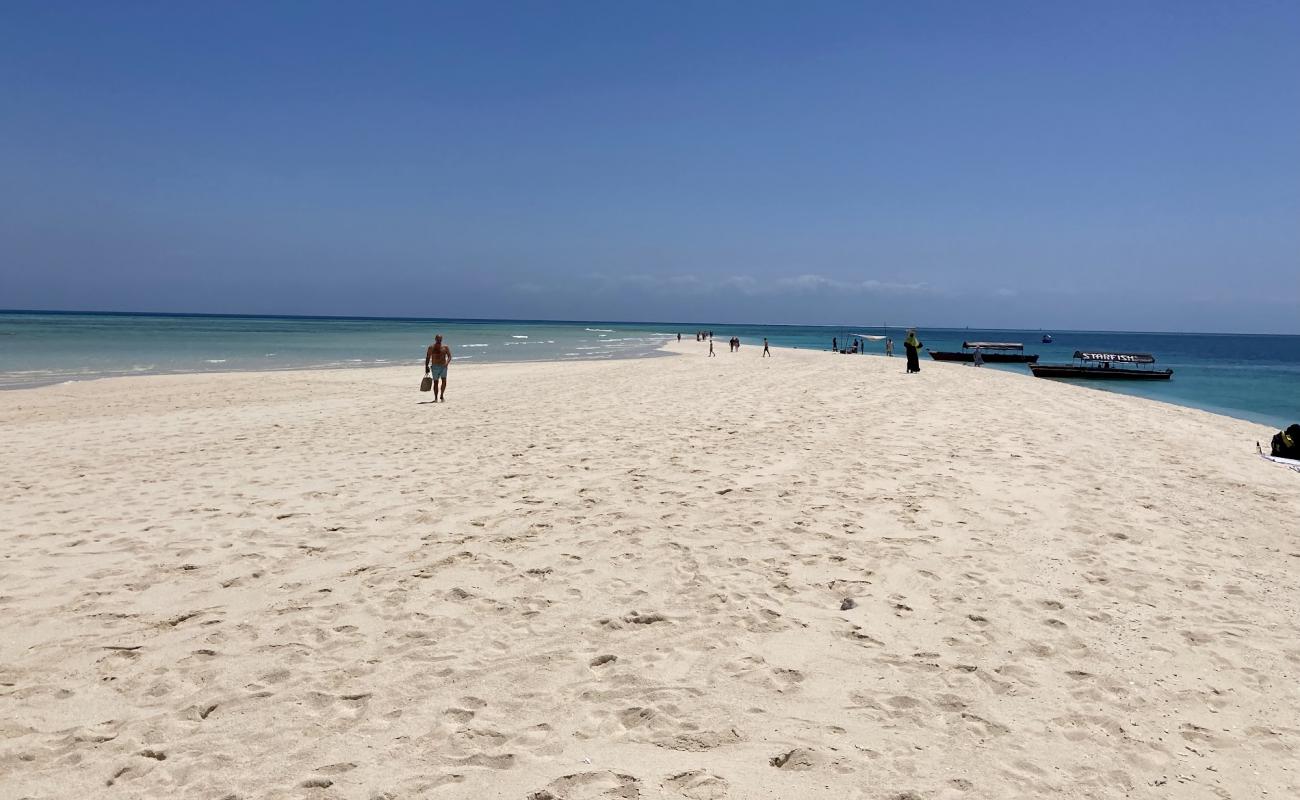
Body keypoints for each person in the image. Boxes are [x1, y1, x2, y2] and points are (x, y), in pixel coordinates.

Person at [424, 334, 452, 401]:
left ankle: (442, 395)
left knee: (444, 381)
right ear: (435, 339)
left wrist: (447, 363)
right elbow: (428, 357)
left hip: (443, 366)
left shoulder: (445, 347)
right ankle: (436, 398)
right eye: (438, 339)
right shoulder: (431, 347)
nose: (439, 340)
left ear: (442, 339)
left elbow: (449, 356)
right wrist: (426, 366)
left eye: (440, 339)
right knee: (436, 382)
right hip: (435, 366)